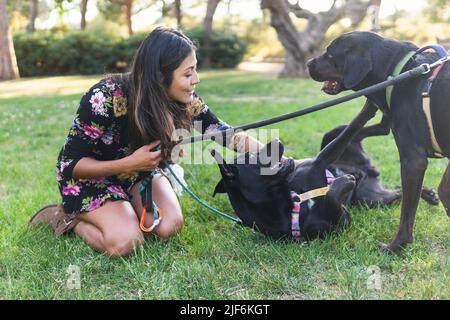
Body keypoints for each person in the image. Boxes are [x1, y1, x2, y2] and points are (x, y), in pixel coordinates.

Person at [30, 27, 297, 257]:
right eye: (188, 72)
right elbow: (71, 164)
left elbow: (222, 131)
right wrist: (130, 162)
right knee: (126, 243)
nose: (196, 79)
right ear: (159, 76)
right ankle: (65, 218)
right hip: (90, 179)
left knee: (168, 227)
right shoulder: (104, 96)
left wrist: (274, 157)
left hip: (139, 172)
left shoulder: (182, 99)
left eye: (195, 70)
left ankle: (124, 209)